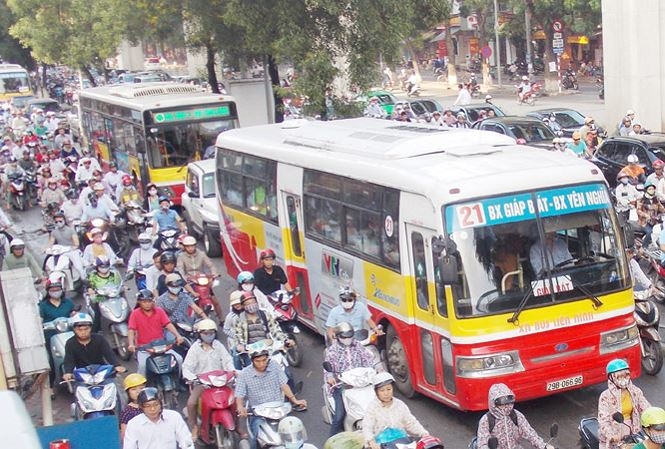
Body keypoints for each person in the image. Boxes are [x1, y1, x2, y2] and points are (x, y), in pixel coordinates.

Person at [235, 346, 307, 449]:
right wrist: (240, 407)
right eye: (258, 361)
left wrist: (294, 400)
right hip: (258, 413)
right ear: (252, 361)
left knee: (293, 433)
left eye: (264, 360)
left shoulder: (274, 366)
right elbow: (239, 394)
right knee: (255, 437)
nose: (262, 364)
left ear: (268, 358)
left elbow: (283, 385)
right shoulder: (244, 374)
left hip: (279, 410)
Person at [182, 319, 235, 440]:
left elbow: (227, 360)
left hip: (221, 381)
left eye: (211, 333)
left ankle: (236, 425)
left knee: (236, 400)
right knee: (191, 403)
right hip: (203, 383)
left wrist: (232, 371)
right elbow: (187, 367)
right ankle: (195, 427)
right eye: (205, 333)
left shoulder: (218, 345)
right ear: (199, 334)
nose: (209, 335)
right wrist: (193, 378)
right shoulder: (195, 348)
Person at [324, 322, 375, 436]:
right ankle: (331, 440)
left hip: (362, 384)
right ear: (338, 336)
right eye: (344, 336)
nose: (347, 339)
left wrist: (375, 370)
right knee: (339, 416)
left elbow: (368, 360)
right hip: (342, 386)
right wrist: (330, 377)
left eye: (349, 336)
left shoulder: (358, 346)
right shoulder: (332, 351)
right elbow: (328, 370)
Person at [475, 383, 552, 449]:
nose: (506, 407)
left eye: (508, 403)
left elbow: (529, 432)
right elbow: (482, 443)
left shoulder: (516, 415)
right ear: (493, 404)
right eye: (502, 404)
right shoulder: (486, 420)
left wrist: (543, 446)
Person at [363, 372, 429, 449]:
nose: (386, 393)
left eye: (389, 389)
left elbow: (410, 422)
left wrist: (424, 434)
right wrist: (371, 442)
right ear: (376, 392)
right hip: (380, 444)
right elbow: (367, 426)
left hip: (401, 442)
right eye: (382, 390)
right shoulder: (372, 407)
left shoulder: (400, 405)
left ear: (393, 389)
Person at [127, 289, 185, 377]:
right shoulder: (135, 314)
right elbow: (131, 330)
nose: (147, 304)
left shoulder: (159, 311)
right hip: (145, 348)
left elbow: (168, 324)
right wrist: (131, 344)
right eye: (144, 302)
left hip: (161, 346)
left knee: (179, 359)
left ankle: (179, 380)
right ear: (139, 302)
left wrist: (178, 336)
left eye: (149, 301)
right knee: (142, 366)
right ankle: (142, 388)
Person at [598, 359, 651, 449]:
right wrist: (611, 435)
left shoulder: (635, 391)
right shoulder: (605, 396)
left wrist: (655, 419)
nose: (623, 379)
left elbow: (646, 407)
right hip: (614, 436)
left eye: (625, 375)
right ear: (611, 378)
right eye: (619, 377)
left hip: (634, 431)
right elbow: (603, 421)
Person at [123, 387, 195, 449]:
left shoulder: (174, 417)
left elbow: (186, 440)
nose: (152, 409)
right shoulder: (134, 424)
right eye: (148, 406)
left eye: (156, 405)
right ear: (142, 408)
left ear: (161, 404)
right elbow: (129, 446)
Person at [39, 276, 76, 393]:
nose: (56, 292)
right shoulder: (43, 306)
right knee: (50, 360)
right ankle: (50, 387)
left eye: (58, 289)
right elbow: (39, 320)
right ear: (48, 291)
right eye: (52, 290)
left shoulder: (68, 302)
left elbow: (74, 314)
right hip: (51, 336)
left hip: (69, 333)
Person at [62, 312, 126, 379]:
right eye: (79, 330)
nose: (83, 332)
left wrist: (116, 365)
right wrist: (68, 372)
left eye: (86, 329)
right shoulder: (70, 343)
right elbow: (69, 360)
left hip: (101, 372)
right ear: (74, 329)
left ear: (91, 328)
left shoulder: (99, 339)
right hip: (82, 375)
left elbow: (109, 353)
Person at [233, 290, 289, 368]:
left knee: (285, 372)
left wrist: (285, 340)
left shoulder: (265, 314)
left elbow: (275, 330)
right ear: (243, 306)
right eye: (248, 304)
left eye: (253, 302)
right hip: (251, 353)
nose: (251, 305)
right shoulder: (239, 319)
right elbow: (238, 336)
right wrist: (241, 346)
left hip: (268, 349)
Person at [176, 235, 223, 318]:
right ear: (184, 247)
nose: (190, 248)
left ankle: (221, 319)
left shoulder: (201, 254)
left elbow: (210, 265)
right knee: (186, 301)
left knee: (215, 301)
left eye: (192, 246)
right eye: (188, 246)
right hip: (190, 281)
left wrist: (214, 273)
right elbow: (180, 269)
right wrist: (184, 278)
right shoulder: (181, 257)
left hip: (202, 280)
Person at [86, 256, 123, 332]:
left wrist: (123, 287)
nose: (104, 268)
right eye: (102, 266)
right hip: (100, 297)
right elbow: (89, 286)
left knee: (125, 305)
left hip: (114, 295)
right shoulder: (93, 275)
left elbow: (120, 283)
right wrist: (90, 290)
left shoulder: (114, 273)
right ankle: (97, 329)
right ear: (97, 267)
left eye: (106, 266)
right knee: (97, 310)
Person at [119, 373, 147, 441]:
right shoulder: (127, 412)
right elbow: (124, 435)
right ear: (127, 392)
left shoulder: (151, 405)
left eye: (141, 388)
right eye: (133, 389)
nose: (138, 391)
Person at [637, 180, 665, 247]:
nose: (651, 190)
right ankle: (644, 248)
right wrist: (646, 215)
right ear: (646, 190)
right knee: (650, 232)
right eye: (650, 189)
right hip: (644, 222)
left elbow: (661, 208)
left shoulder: (655, 199)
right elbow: (638, 211)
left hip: (655, 221)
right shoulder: (641, 199)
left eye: (652, 189)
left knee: (661, 231)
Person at [223, 290, 245, 369]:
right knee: (236, 357)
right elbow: (226, 329)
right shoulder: (230, 316)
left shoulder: (248, 313)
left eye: (239, 303)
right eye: (235, 304)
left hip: (248, 339)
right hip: (235, 341)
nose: (237, 305)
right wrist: (236, 336)